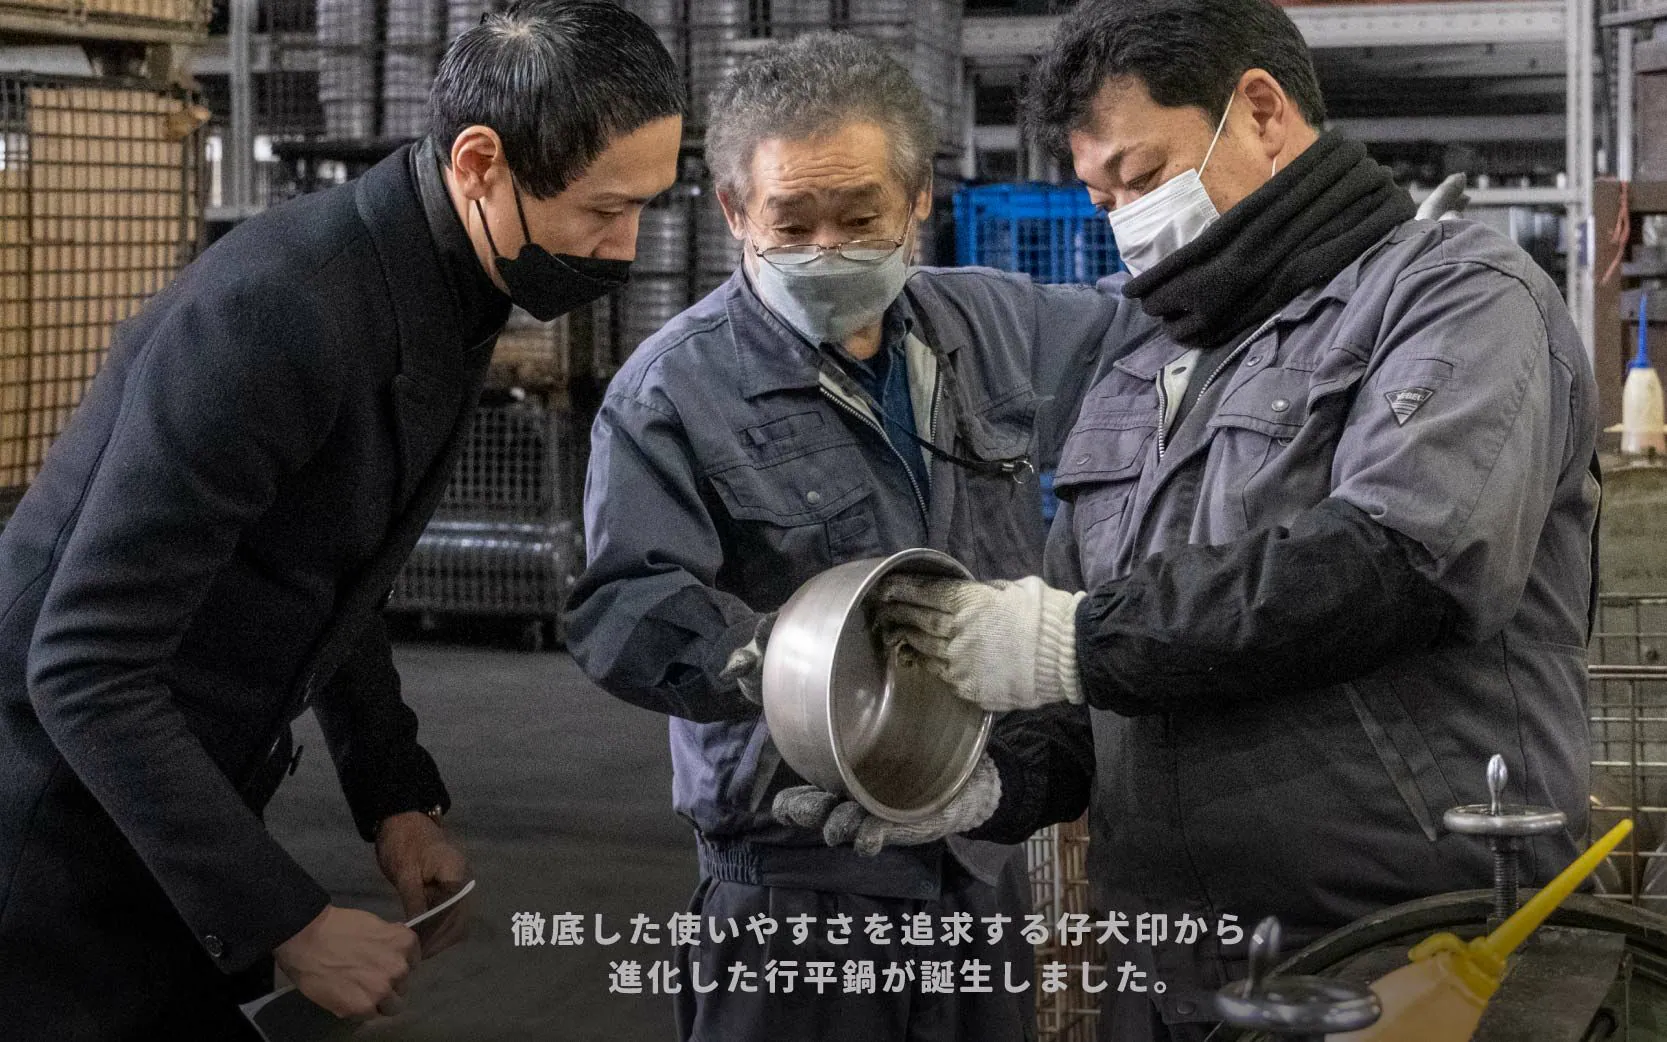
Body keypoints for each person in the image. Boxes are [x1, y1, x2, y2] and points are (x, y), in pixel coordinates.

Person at [871, 2, 1599, 1040]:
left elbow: (1401, 561)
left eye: (1140, 176)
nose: (1125, 220)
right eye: (1101, 197)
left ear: (1258, 110)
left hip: (1407, 952)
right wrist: (985, 780)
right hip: (1170, 964)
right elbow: (1097, 674)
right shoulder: (1143, 365)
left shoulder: (1453, 297)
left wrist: (1068, 639)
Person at [0, 2, 680, 1036]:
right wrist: (291, 919)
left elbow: (332, 562)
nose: (622, 249)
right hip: (51, 830)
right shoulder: (282, 311)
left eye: (643, 210)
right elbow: (84, 667)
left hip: (173, 798)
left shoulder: (444, 279)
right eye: (602, 210)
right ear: (480, 164)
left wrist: (392, 791)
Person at [563, 31, 1143, 1042]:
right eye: (791, 222)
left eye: (860, 216)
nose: (827, 248)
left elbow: (1154, 330)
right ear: (734, 212)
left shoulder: (994, 329)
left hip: (979, 849)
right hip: (797, 880)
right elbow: (622, 609)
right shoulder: (673, 391)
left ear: (917, 201)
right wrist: (788, 664)